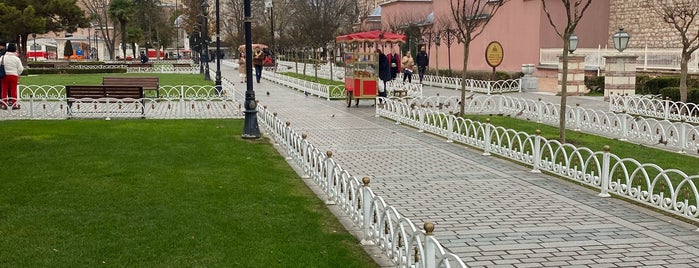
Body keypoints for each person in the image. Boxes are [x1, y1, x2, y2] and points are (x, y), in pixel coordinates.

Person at [1, 43, 24, 110]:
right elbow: (21, 69)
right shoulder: (16, 59)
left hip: (4, 75)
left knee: (4, 90)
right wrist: (17, 74)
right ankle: (14, 104)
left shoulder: (2, 57)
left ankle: (4, 104)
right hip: (13, 75)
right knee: (13, 90)